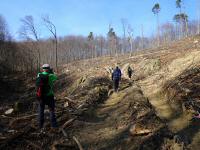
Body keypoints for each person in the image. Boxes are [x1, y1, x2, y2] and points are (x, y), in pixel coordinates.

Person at [36, 64, 58, 129]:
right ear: (48, 68)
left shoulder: (39, 75)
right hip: (50, 96)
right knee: (51, 110)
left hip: (41, 96)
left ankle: (40, 126)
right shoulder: (51, 75)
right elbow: (56, 78)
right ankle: (53, 126)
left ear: (42, 69)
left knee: (40, 111)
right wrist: (51, 72)